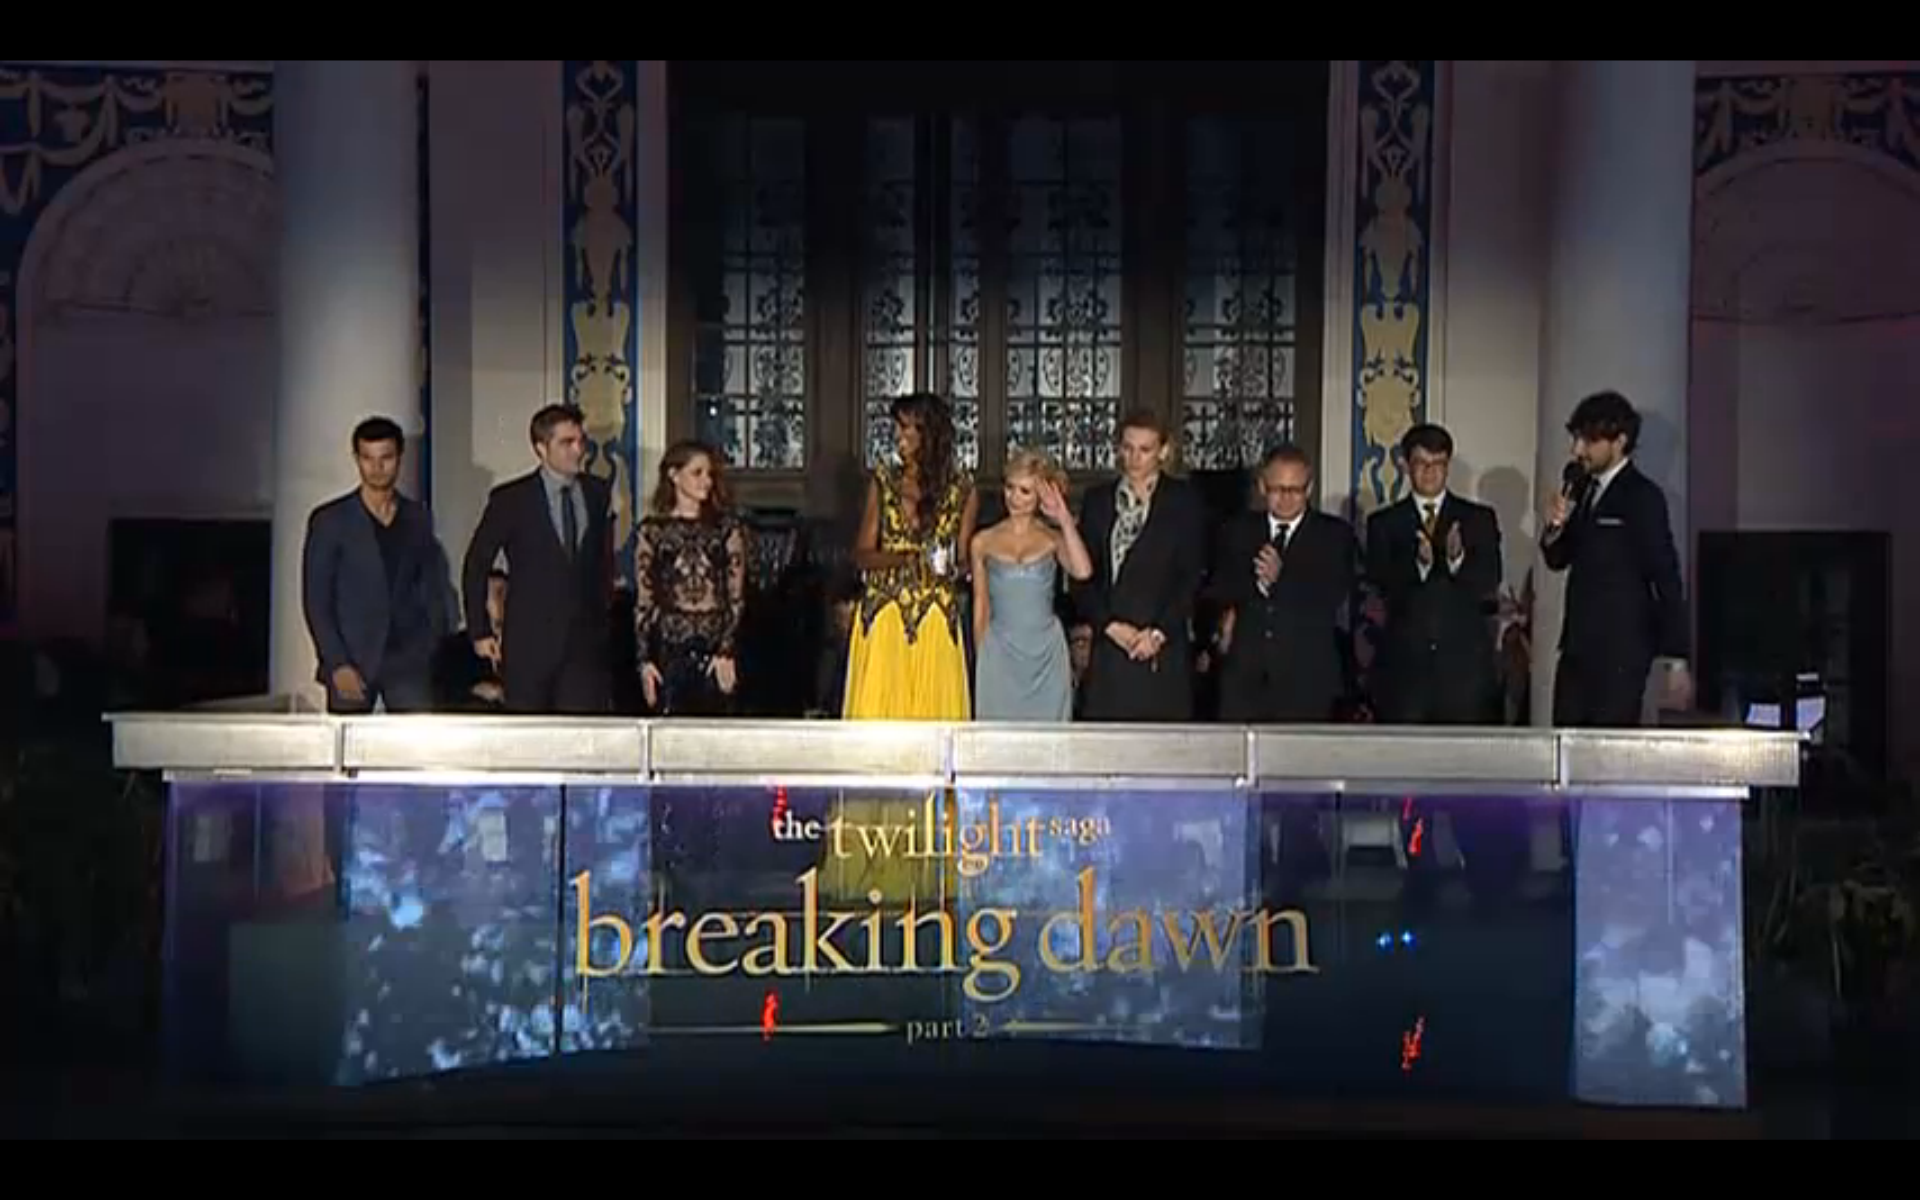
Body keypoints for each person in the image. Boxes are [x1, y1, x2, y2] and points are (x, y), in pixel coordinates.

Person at [1541, 390, 1692, 726]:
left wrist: (1677, 657)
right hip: (1576, 647)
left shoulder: (1643, 497)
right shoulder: (1582, 490)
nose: (1577, 450)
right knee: (1563, 741)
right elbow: (1558, 559)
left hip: (1621, 653)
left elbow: (1665, 576)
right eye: (1576, 439)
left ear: (1619, 441)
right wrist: (1554, 527)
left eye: (1588, 441)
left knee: (1605, 746)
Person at [461, 403, 615, 714]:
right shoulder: (511, 499)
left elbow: (601, 563)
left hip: (583, 647)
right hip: (529, 644)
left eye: (580, 441)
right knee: (528, 732)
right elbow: (477, 563)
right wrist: (480, 631)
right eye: (566, 443)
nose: (578, 451)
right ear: (541, 449)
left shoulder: (597, 493)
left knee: (581, 733)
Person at [300, 416, 451, 713]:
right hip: (353, 659)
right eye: (368, 458)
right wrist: (337, 662)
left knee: (416, 740)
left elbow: (431, 585)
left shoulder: (417, 517)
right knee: (348, 739)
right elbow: (317, 601)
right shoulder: (331, 520)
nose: (377, 467)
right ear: (357, 459)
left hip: (409, 661)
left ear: (399, 458)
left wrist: (430, 642)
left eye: (385, 458)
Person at [842, 391, 978, 721]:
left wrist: (954, 569)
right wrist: (905, 559)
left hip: (936, 616)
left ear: (929, 434)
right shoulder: (883, 482)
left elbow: (964, 561)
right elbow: (861, 555)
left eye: (906, 428)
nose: (898, 436)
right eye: (897, 427)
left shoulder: (963, 490)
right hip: (885, 614)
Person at [1071, 410, 1207, 722]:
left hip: (1163, 650)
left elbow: (1191, 577)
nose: (1134, 458)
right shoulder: (1098, 500)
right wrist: (1110, 626)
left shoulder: (1184, 501)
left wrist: (1157, 633)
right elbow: (1082, 577)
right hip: (1109, 650)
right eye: (1128, 448)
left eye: (1145, 450)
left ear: (1163, 451)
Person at [1365, 423, 1502, 724]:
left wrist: (1456, 559)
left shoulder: (1478, 519)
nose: (1430, 472)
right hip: (1405, 673)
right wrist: (1420, 566)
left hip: (1464, 673)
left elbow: (1489, 579)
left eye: (1438, 463)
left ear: (1448, 466)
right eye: (1421, 463)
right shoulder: (1384, 523)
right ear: (1405, 465)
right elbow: (1380, 583)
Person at [1209, 443, 1356, 722]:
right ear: (1262, 487)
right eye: (1277, 489)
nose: (1286, 498)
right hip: (1244, 681)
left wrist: (1282, 578)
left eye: (1295, 490)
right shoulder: (1237, 531)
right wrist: (1255, 588)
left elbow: (1332, 595)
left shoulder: (1334, 535)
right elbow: (1220, 588)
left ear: (1309, 489)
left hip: (1306, 681)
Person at [970, 449, 1093, 722]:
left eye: (1025, 491)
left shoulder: (1052, 538)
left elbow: (1083, 571)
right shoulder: (982, 541)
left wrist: (1063, 517)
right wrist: (983, 656)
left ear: (1041, 495)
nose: (1014, 497)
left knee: (1049, 740)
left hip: (1046, 655)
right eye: (1010, 487)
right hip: (999, 652)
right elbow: (981, 604)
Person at [634, 441, 747, 716]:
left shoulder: (726, 530)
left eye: (709, 474)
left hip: (716, 649)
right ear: (674, 475)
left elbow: (736, 597)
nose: (706, 481)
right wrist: (644, 660)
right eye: (697, 473)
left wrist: (726, 650)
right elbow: (645, 602)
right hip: (669, 650)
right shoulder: (652, 532)